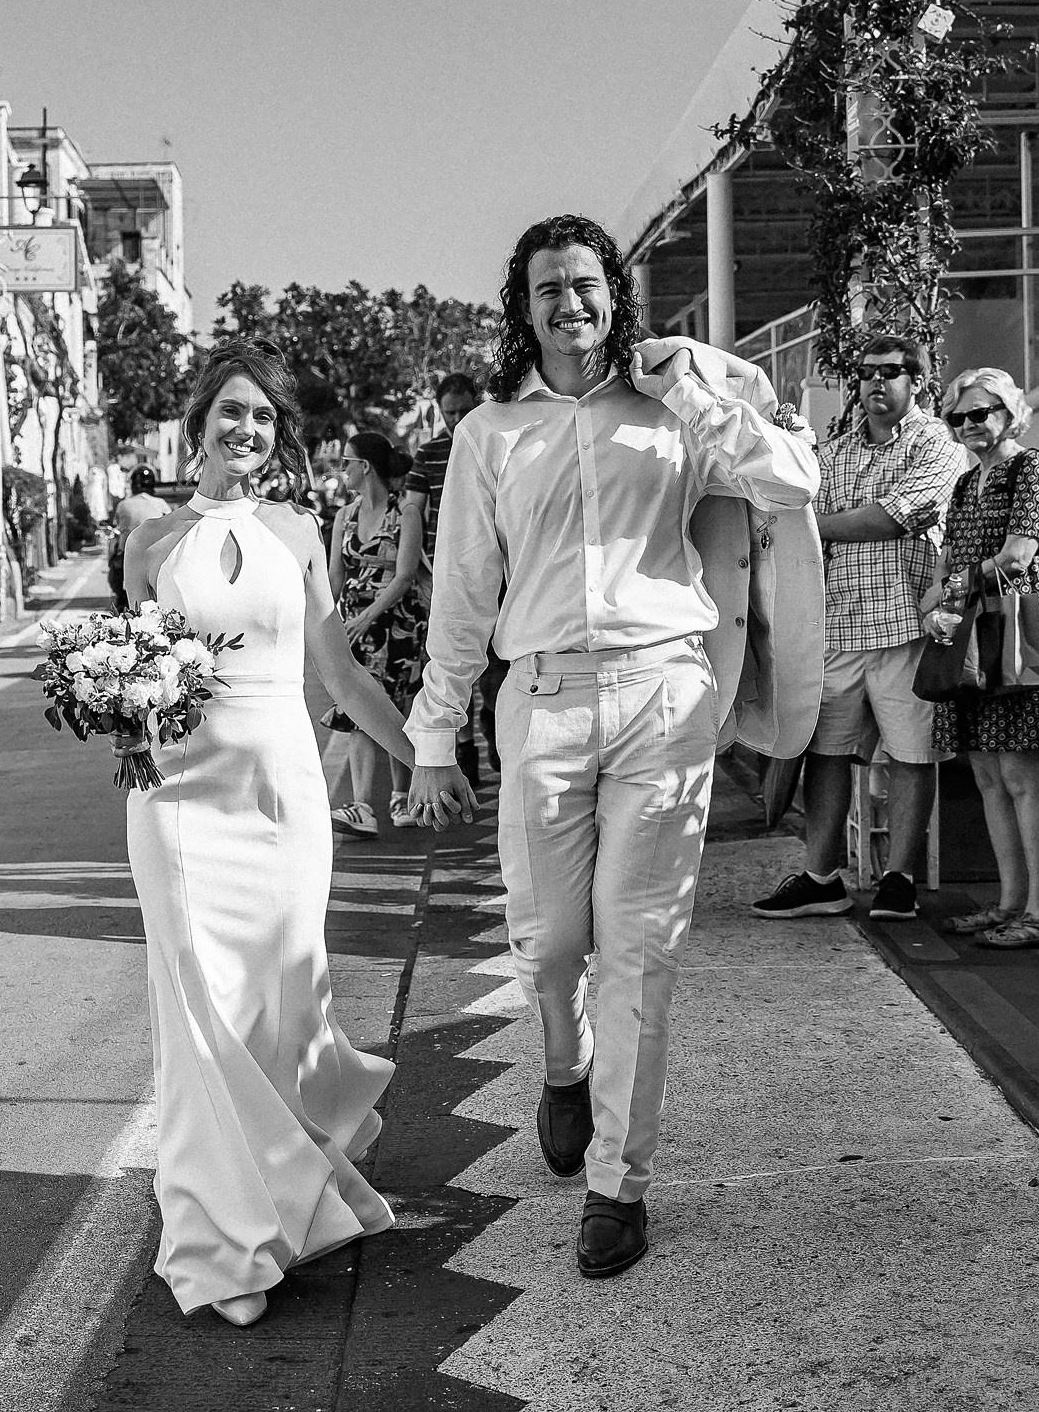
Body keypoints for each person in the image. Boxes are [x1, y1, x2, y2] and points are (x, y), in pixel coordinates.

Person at [407, 214, 818, 1279]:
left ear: (614, 295)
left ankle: (618, 1186)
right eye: (548, 288)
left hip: (663, 693)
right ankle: (563, 1060)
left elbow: (790, 484)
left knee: (640, 951)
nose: (570, 304)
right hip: (540, 696)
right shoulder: (492, 431)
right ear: (523, 305)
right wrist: (434, 732)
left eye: (586, 284)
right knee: (547, 945)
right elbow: (462, 590)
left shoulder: (675, 406)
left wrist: (691, 389)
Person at [119, 341, 419, 1327]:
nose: (246, 430)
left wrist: (422, 754)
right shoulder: (149, 541)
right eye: (231, 412)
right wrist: (124, 719)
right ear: (200, 417)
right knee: (201, 1008)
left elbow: (335, 672)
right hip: (177, 797)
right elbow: (132, 674)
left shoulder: (299, 530)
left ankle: (292, 1201)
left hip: (283, 795)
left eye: (263, 418)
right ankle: (222, 1234)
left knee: (284, 1003)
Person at [754, 335, 965, 924]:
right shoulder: (837, 449)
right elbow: (788, 506)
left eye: (890, 372)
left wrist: (814, 527)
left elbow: (893, 517)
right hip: (838, 625)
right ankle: (823, 877)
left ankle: (899, 878)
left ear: (917, 380)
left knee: (910, 754)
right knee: (827, 753)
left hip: (904, 625)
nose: (875, 382)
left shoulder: (938, 446)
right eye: (866, 372)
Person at [918, 366, 1039, 949]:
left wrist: (951, 588)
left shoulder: (1031, 469)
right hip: (971, 635)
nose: (967, 425)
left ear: (1009, 413)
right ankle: (1011, 902)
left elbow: (1017, 557)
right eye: (957, 417)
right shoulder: (967, 484)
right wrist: (939, 594)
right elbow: (949, 562)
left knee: (1019, 773)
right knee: (987, 774)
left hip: (1017, 633)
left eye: (980, 413)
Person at [326, 429, 426, 837]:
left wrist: (368, 615)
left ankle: (402, 794)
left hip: (398, 623)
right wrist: (319, 623)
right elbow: (334, 578)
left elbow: (404, 576)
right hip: (355, 627)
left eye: (346, 462)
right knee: (359, 710)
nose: (342, 471)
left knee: (396, 708)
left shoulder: (406, 514)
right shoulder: (344, 516)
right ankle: (363, 804)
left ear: (363, 467)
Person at [400, 373, 498, 777]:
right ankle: (460, 753)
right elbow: (412, 513)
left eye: (464, 411)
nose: (457, 420)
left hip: (495, 572)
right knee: (445, 662)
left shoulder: (492, 439)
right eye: (449, 413)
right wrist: (418, 570)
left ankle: (493, 730)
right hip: (443, 573)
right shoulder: (430, 453)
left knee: (495, 663)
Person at [108, 465, 172, 611]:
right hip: (157, 556)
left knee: (117, 583)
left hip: (127, 556)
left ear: (133, 484)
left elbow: (117, 526)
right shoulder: (162, 504)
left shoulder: (123, 505)